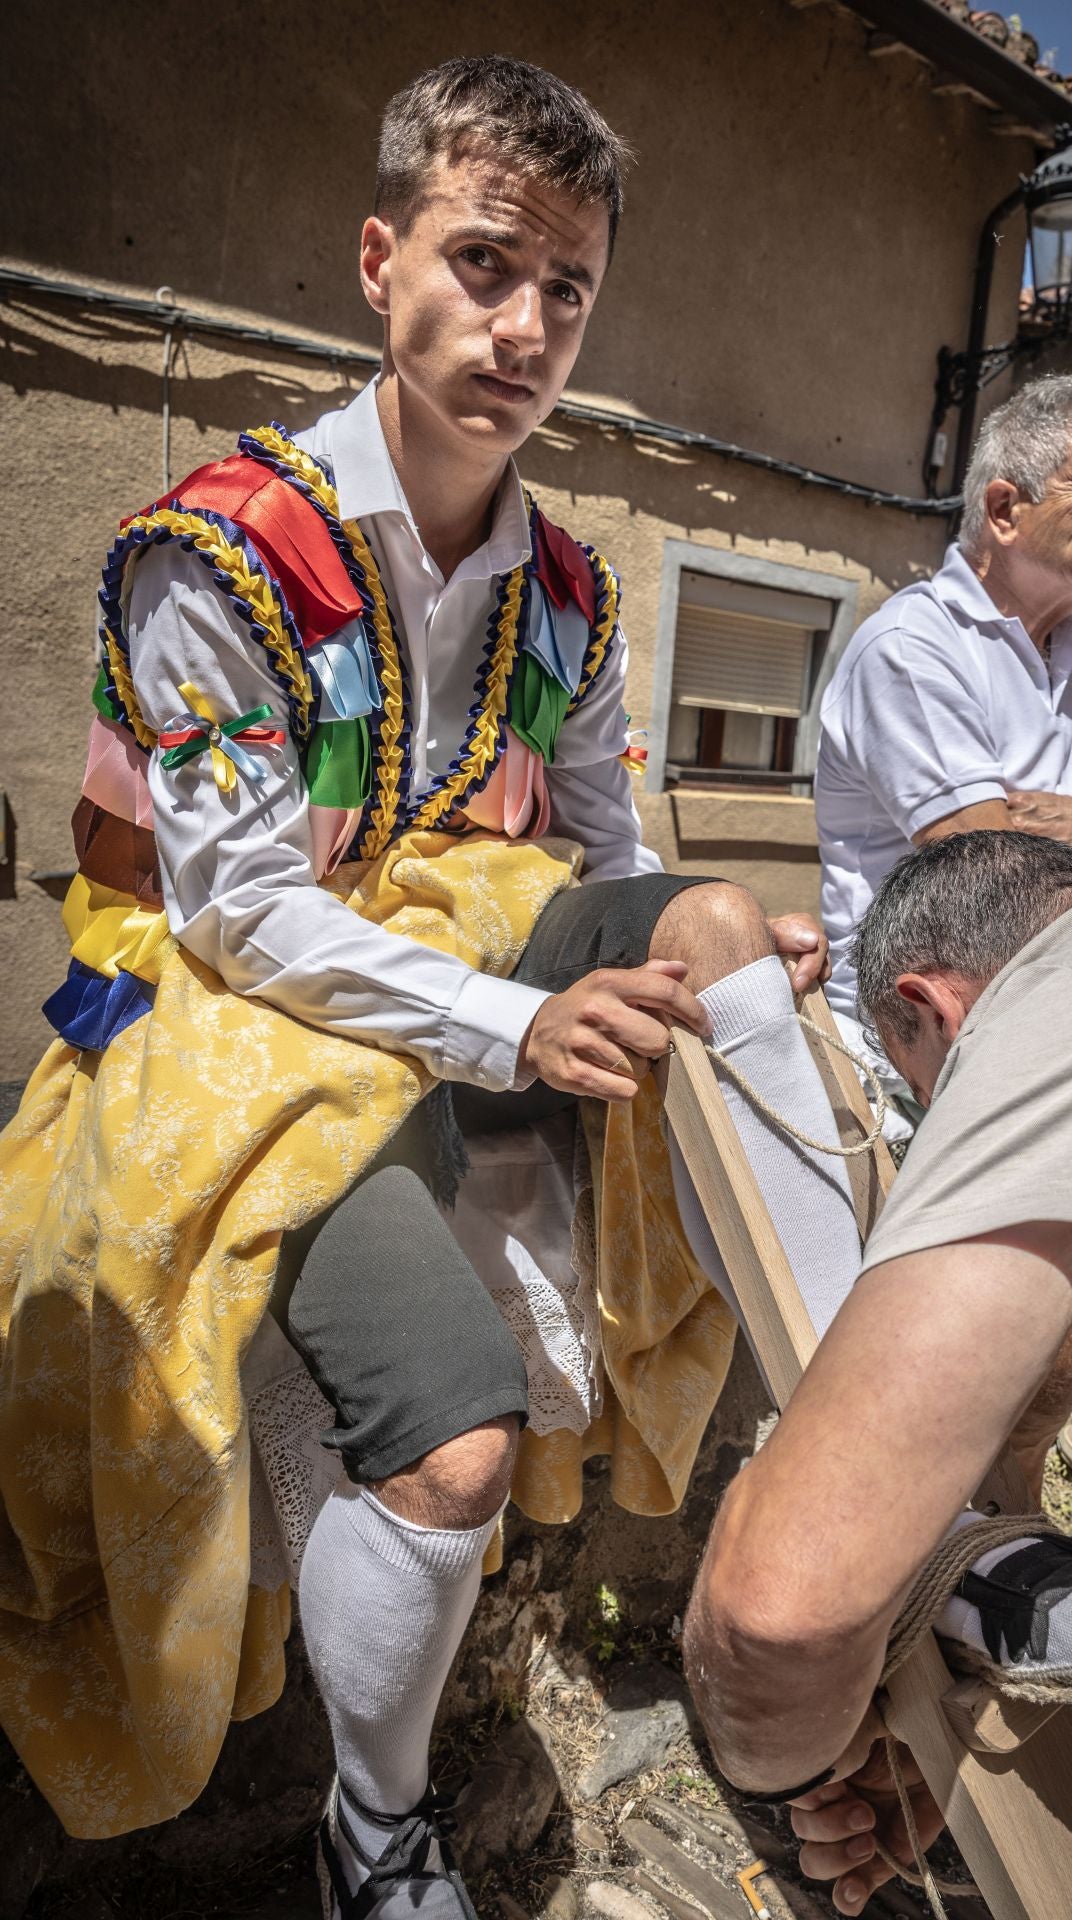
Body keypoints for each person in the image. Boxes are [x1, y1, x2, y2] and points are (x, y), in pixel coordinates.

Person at [0, 57, 864, 1920]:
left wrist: (708, 934)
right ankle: (372, 1828)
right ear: (381, 257)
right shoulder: (219, 548)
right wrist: (515, 1028)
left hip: (466, 961)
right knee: (456, 1447)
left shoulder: (569, 587)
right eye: (487, 263)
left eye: (569, 289)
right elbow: (235, 915)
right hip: (230, 1022)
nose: (529, 324)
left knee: (713, 920)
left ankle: (875, 1455)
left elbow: (610, 853)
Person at [684, 831, 1072, 1916]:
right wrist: (937, 1734)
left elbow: (775, 1609)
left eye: (923, 1096)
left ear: (937, 1012)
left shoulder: (1067, 1013)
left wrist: (802, 1760)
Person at [814, 371, 1072, 1486]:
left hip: (1070, 1000)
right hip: (929, 1015)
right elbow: (981, 872)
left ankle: (1016, 1469)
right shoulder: (913, 648)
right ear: (1003, 510)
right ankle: (961, 1479)